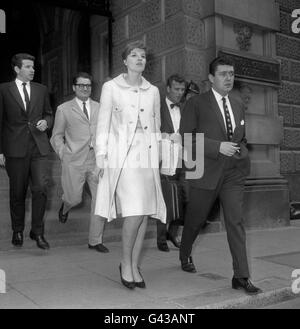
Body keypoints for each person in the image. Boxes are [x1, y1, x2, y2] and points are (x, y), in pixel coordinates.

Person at [179, 56, 262, 295]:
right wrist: (217, 147)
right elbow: (186, 138)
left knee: (235, 222)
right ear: (211, 78)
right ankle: (185, 252)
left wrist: (241, 152)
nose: (229, 78)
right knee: (196, 219)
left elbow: (241, 137)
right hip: (205, 171)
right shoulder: (196, 103)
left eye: (232, 74)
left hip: (233, 172)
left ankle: (241, 276)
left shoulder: (237, 104)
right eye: (224, 74)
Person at [95, 40, 166, 289]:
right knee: (134, 211)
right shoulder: (111, 87)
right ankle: (125, 263)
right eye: (134, 55)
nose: (139, 59)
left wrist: (159, 156)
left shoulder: (153, 91)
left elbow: (156, 126)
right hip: (123, 158)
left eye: (143, 56)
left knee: (145, 211)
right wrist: (101, 156)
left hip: (146, 157)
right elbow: (102, 123)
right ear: (125, 61)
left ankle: (135, 264)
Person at [50, 72, 108, 253]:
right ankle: (65, 206)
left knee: (100, 201)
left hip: (96, 160)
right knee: (74, 198)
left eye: (88, 85)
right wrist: (63, 153)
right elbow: (56, 136)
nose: (85, 88)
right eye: (81, 85)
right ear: (74, 87)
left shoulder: (101, 107)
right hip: (74, 160)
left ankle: (94, 240)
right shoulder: (63, 109)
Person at [0, 53, 53, 249]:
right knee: (18, 192)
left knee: (40, 189)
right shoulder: (4, 90)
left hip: (38, 147)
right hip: (14, 149)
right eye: (28, 67)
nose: (32, 70)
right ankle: (18, 230)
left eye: (33, 67)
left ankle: (37, 232)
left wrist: (45, 122)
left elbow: (49, 113)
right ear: (17, 69)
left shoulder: (41, 89)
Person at [156, 74, 186, 252]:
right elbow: (150, 131)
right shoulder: (158, 108)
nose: (179, 93)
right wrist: (166, 137)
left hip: (183, 158)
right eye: (176, 89)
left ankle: (173, 233)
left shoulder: (185, 107)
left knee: (181, 197)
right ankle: (160, 238)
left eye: (182, 90)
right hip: (164, 158)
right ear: (168, 88)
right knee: (165, 198)